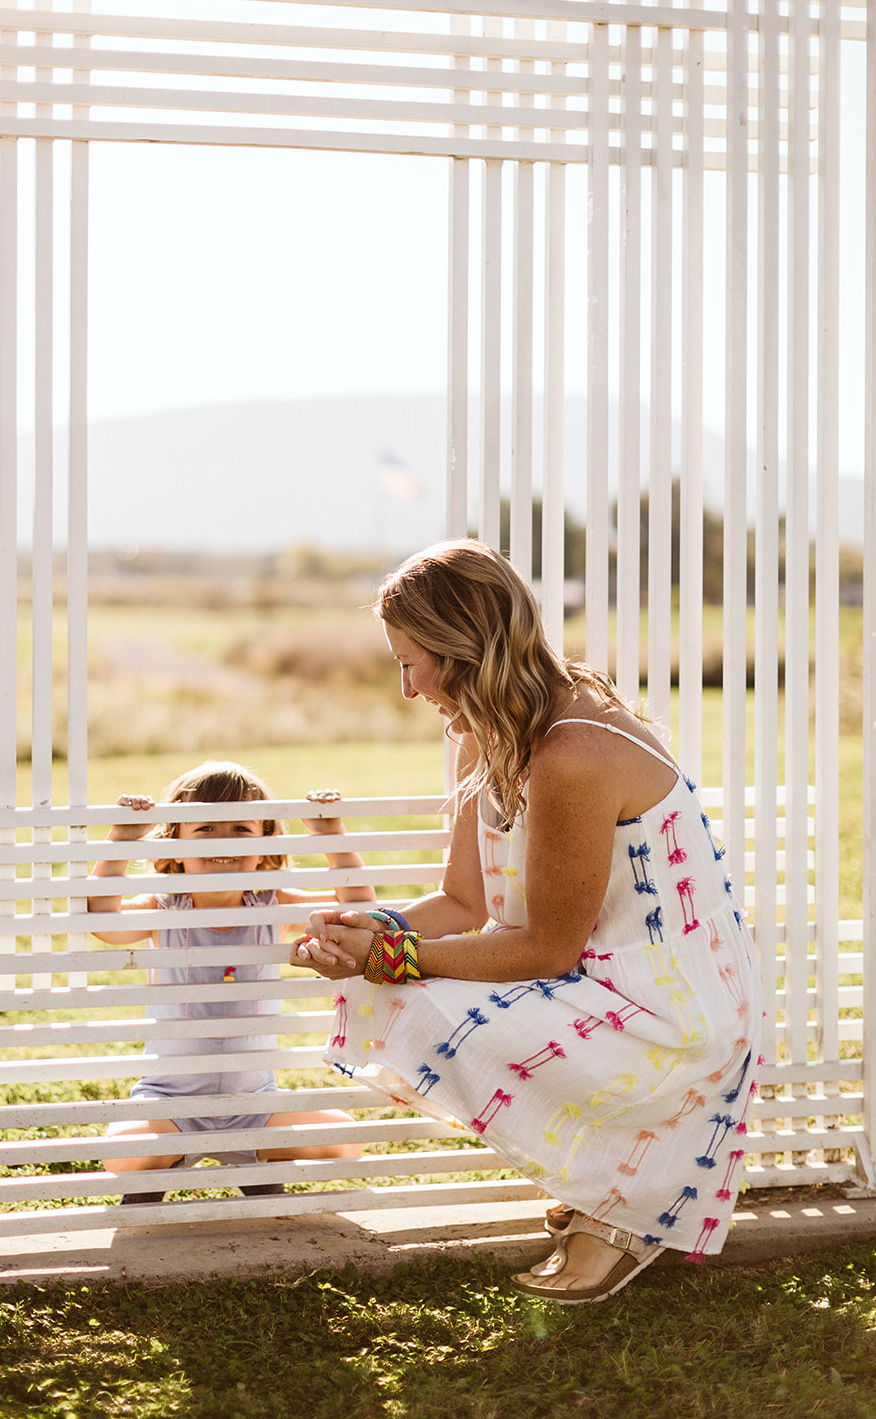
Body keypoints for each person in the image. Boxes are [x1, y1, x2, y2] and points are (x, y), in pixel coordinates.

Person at [292, 540, 762, 1303]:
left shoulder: (574, 750)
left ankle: (625, 1208)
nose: (407, 689)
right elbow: (461, 904)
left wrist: (395, 958)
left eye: (410, 663)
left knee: (407, 994)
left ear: (460, 651)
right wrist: (368, 930)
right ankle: (605, 1186)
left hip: (668, 1008)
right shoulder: (477, 733)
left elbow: (545, 950)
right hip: (590, 980)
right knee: (391, 988)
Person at [89, 759, 372, 1202]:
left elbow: (356, 907)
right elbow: (105, 921)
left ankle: (252, 1157)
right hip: (170, 1103)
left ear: (264, 845)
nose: (224, 840)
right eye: (205, 828)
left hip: (254, 1103)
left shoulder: (273, 905)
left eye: (240, 828)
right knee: (120, 1152)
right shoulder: (164, 908)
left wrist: (329, 832)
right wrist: (122, 839)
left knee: (346, 1138)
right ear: (175, 843)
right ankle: (181, 1155)